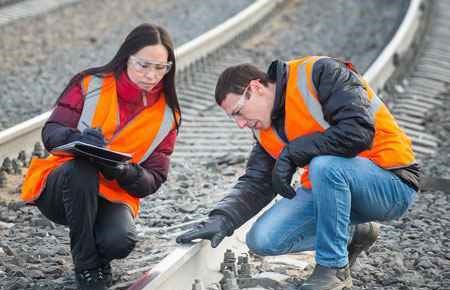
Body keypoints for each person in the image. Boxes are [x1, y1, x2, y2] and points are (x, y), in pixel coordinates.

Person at [176, 56, 420, 290]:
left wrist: (294, 152)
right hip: (337, 192)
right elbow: (257, 181)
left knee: (324, 166)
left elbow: (358, 131)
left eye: (238, 111)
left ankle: (333, 270)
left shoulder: (320, 73)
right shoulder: (264, 128)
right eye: (233, 118)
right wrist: (223, 218)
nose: (240, 123)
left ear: (256, 88)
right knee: (262, 240)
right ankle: (353, 232)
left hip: (391, 182)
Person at [21, 23, 181, 290]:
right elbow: (51, 133)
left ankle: (98, 254)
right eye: (143, 65)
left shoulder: (168, 114)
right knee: (80, 170)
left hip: (112, 193)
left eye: (160, 68)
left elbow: (154, 178)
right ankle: (87, 267)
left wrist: (122, 170)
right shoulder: (90, 84)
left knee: (119, 241)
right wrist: (78, 140)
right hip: (61, 187)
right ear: (126, 57)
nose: (151, 75)